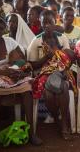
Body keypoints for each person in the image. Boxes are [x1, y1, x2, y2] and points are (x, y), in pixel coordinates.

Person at [0, 17, 42, 152]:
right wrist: (4, 72)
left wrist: (15, 68)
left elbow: (23, 61)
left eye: (0, 29)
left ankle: (32, 134)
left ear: (4, 30)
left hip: (13, 75)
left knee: (27, 91)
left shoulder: (10, 42)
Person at [27, 10, 75, 140]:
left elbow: (69, 58)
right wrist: (45, 59)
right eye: (44, 23)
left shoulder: (61, 37)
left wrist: (64, 68)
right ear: (41, 24)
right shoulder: (36, 41)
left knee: (63, 85)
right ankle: (60, 120)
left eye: (50, 22)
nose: (47, 25)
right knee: (53, 88)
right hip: (43, 73)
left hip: (62, 71)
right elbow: (31, 65)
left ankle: (62, 122)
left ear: (55, 23)